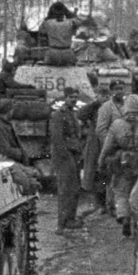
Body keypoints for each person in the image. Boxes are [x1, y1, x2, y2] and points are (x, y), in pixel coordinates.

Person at [98, 94, 138, 237]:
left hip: (123, 162)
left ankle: (124, 217)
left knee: (121, 192)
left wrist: (101, 161)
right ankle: (137, 222)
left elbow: (107, 146)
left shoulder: (117, 124)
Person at [49, 88, 85, 232]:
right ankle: (61, 224)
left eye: (76, 97)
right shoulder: (59, 114)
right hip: (64, 155)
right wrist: (65, 156)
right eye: (71, 97)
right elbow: (57, 138)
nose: (74, 99)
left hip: (74, 153)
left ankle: (70, 219)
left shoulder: (72, 113)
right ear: (65, 98)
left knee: (74, 188)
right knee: (65, 189)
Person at [77, 80, 111, 214]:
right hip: (95, 145)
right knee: (96, 174)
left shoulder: (113, 108)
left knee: (109, 174)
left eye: (107, 96)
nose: (105, 98)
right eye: (102, 96)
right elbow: (81, 115)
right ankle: (100, 203)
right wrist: (95, 103)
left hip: (109, 143)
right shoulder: (94, 108)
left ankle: (109, 204)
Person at [0, 99, 27, 165]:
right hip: (1, 163)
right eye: (12, 110)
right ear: (9, 111)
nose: (13, 113)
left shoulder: (3, 125)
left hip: (6, 162)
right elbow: (5, 151)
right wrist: (22, 153)